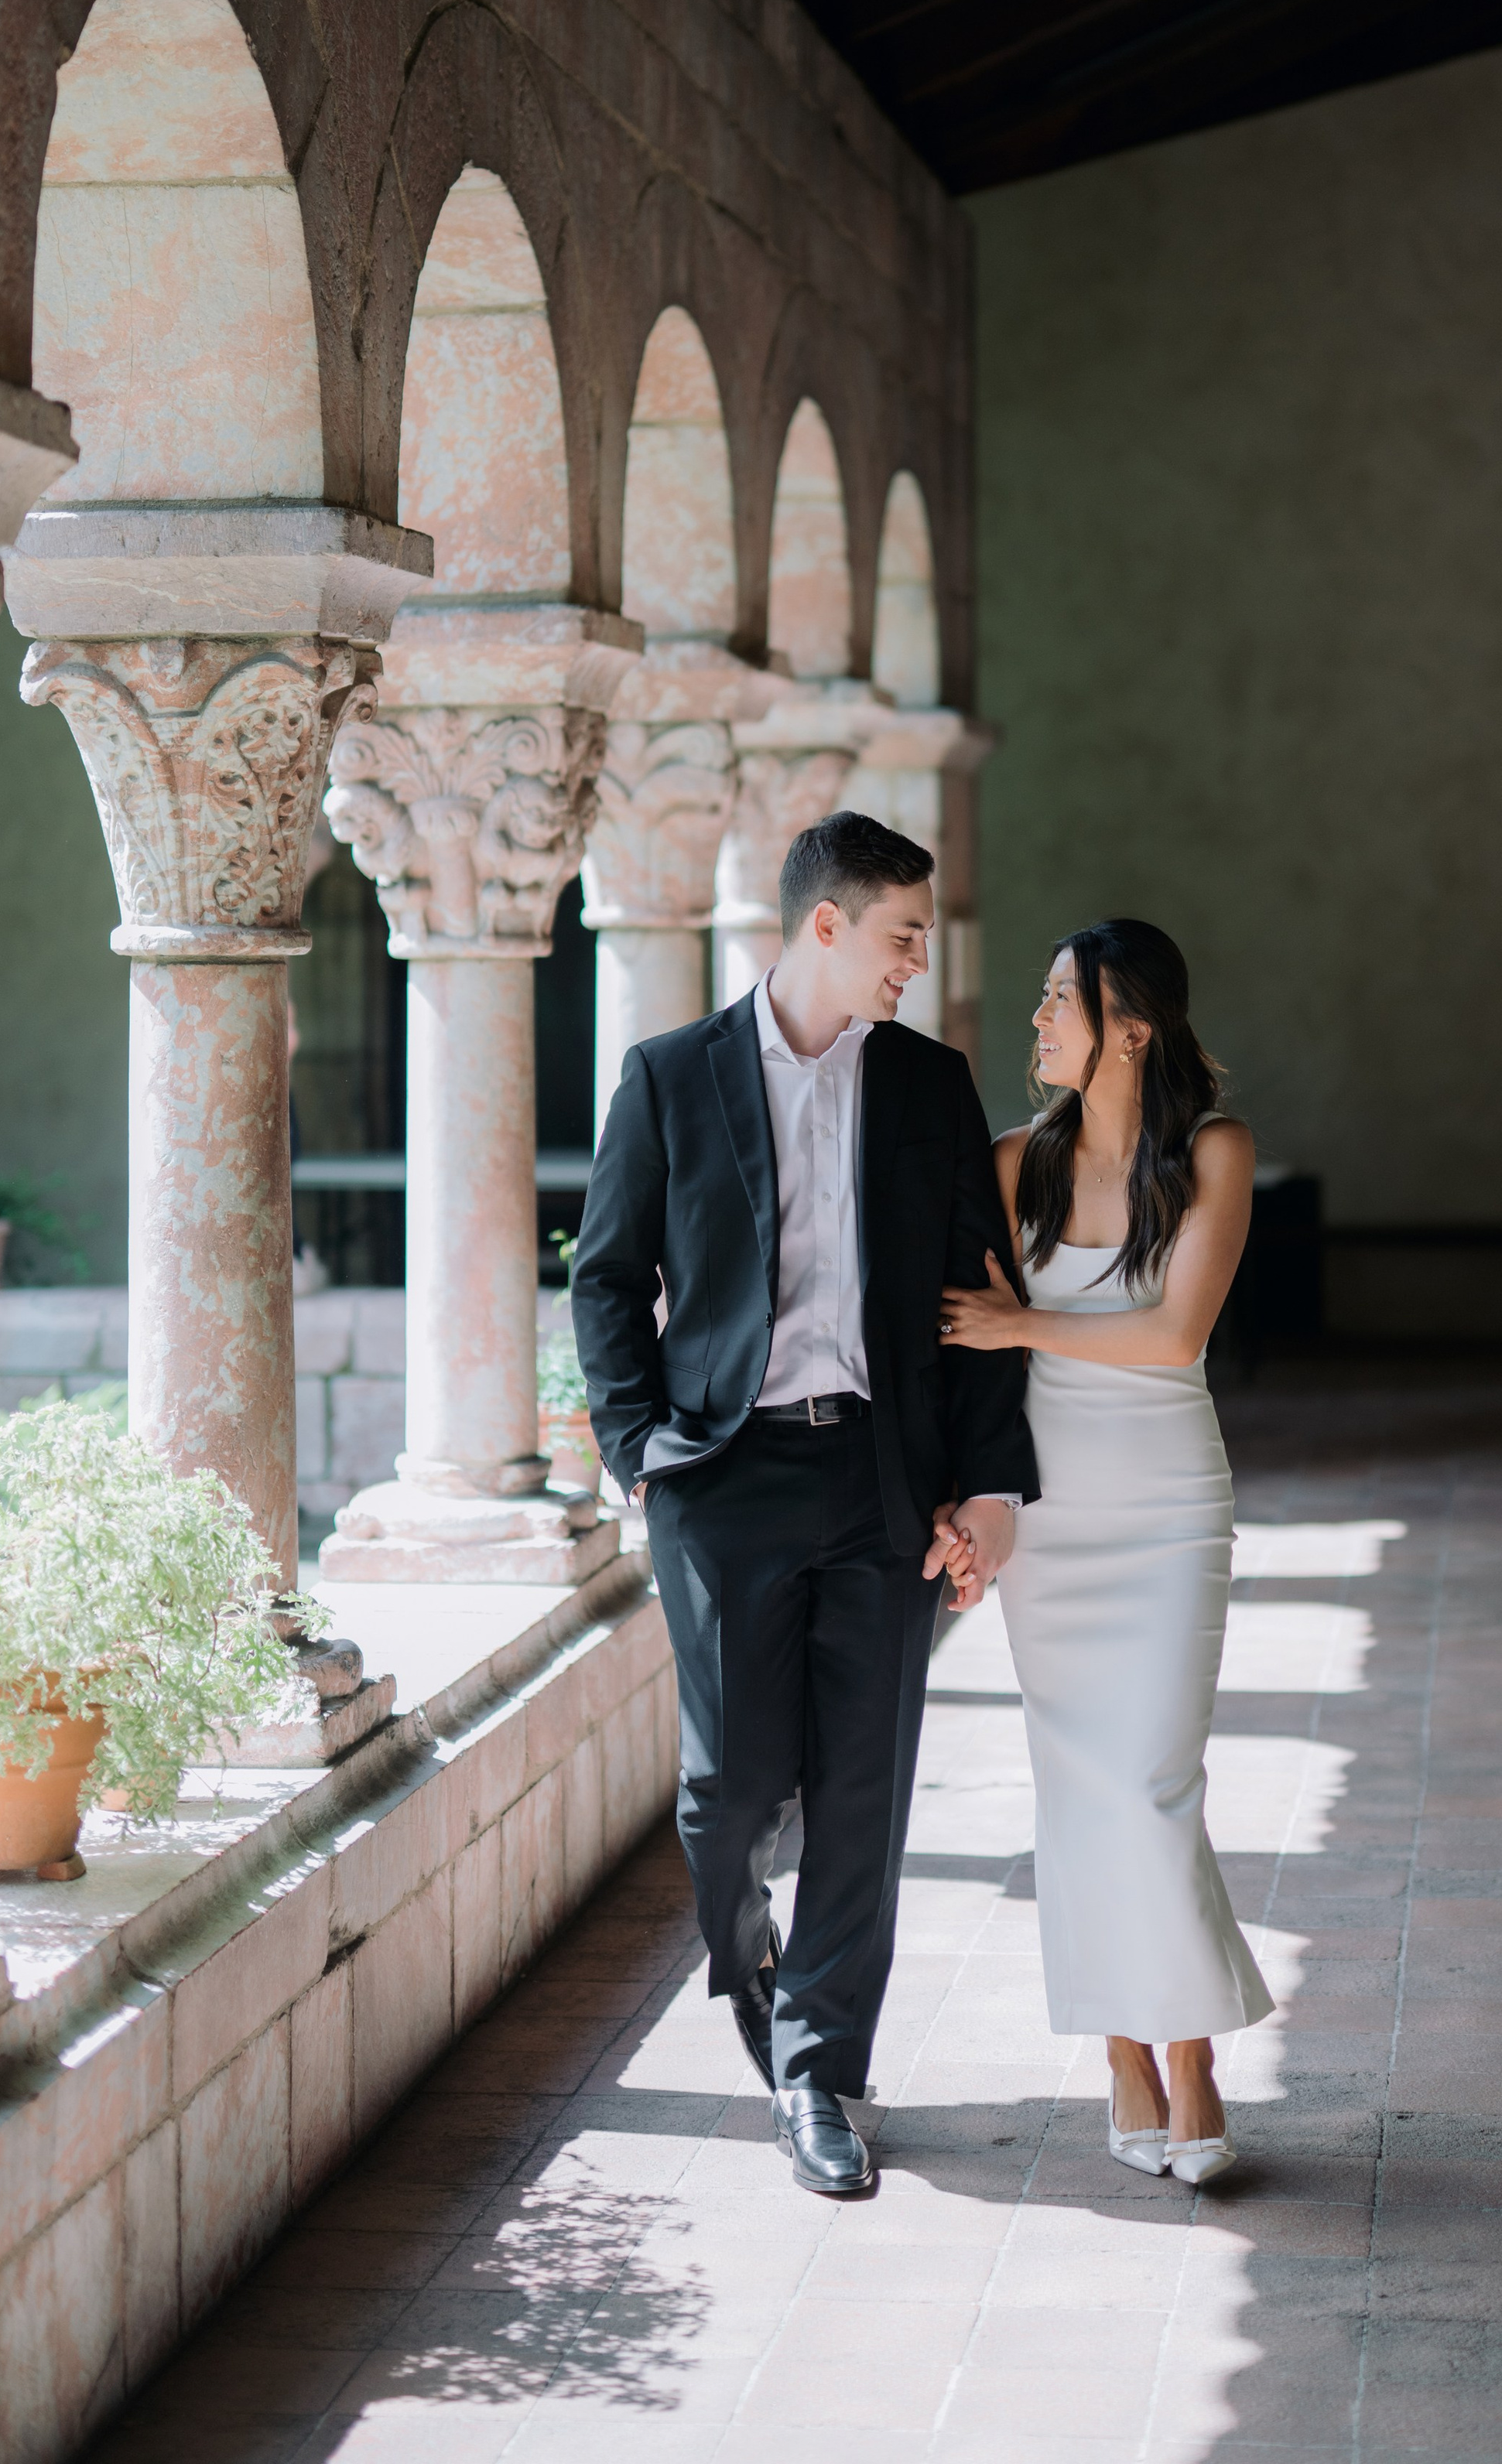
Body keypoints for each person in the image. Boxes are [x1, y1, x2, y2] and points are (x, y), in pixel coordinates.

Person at [572, 810, 1037, 2197]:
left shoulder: (929, 1086)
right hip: (720, 1479)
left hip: (882, 1476)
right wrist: (639, 1444)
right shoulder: (669, 1078)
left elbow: (982, 1306)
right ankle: (759, 1967)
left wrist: (992, 1483)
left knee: (863, 1789)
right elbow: (605, 1279)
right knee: (726, 1799)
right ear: (824, 924)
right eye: (902, 936)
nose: (917, 962)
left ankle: (823, 2072)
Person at [935, 918, 1273, 2184]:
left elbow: (1177, 1335)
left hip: (1170, 1505)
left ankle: (1190, 2054)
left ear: (1133, 1025)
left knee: (1150, 1786)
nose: (1037, 1023)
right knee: (1082, 1792)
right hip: (1052, 1518)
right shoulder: (1013, 1163)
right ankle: (1125, 2051)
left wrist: (1021, 1320)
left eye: (1057, 1003)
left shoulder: (1213, 1153)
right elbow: (946, 1343)